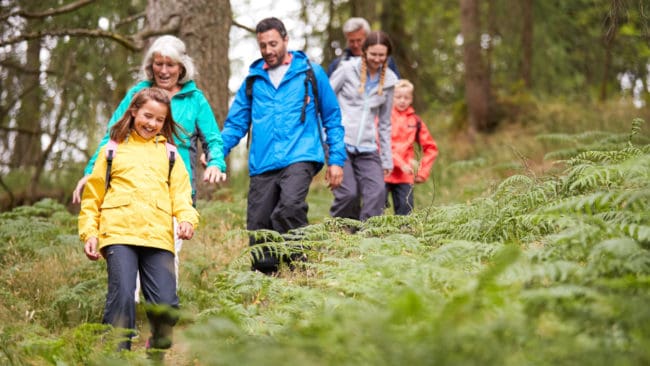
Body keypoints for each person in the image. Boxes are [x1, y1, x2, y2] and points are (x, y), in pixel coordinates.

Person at [71, 35, 226, 298]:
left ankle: (158, 319)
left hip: (174, 193)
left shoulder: (194, 99)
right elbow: (112, 135)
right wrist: (89, 173)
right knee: (129, 260)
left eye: (170, 64)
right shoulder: (137, 94)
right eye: (158, 64)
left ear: (182, 67)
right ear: (150, 65)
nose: (164, 70)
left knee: (166, 258)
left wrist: (215, 162)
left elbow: (213, 139)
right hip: (130, 190)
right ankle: (129, 318)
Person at [78, 87, 199, 355]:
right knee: (122, 298)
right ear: (133, 112)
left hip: (158, 236)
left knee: (166, 308)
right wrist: (90, 233)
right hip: (119, 234)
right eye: (147, 116)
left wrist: (187, 219)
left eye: (159, 120)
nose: (152, 123)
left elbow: (181, 195)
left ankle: (156, 347)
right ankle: (116, 356)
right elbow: (93, 197)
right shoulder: (112, 150)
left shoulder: (170, 154)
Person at [221, 17, 346, 274]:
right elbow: (235, 124)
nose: (268, 50)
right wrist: (216, 152)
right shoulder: (253, 80)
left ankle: (301, 270)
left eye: (273, 43)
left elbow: (332, 117)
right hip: (263, 162)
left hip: (300, 154)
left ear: (286, 40)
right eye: (263, 45)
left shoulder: (310, 72)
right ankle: (267, 282)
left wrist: (336, 159)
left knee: (289, 207)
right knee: (259, 226)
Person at [329, 31, 399, 221]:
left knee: (377, 193)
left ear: (387, 55)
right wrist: (324, 136)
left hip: (368, 146)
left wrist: (386, 159)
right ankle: (339, 233)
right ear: (364, 52)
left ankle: (365, 240)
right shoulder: (346, 69)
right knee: (348, 194)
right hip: (341, 142)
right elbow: (325, 100)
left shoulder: (390, 81)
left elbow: (384, 123)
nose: (377, 59)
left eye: (381, 55)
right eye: (373, 54)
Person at [385, 79, 438, 215]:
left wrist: (422, 172)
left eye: (406, 97)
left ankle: (402, 235)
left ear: (411, 99)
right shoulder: (383, 117)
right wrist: (399, 163)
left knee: (405, 215)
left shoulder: (415, 121)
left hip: (405, 176)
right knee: (374, 214)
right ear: (392, 97)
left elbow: (431, 148)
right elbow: (379, 144)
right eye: (398, 97)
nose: (402, 100)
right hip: (383, 172)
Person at [327, 17, 400, 78]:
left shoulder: (384, 60)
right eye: (351, 41)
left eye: (359, 40)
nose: (355, 45)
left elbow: (397, 87)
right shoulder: (338, 64)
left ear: (368, 38)